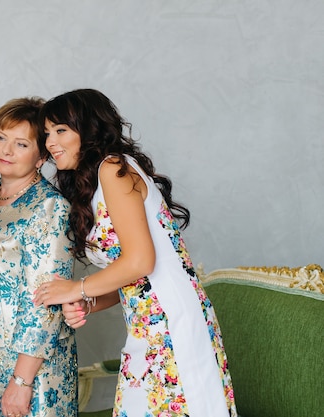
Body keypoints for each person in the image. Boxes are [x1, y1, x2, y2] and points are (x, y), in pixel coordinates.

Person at [33, 89, 237, 417]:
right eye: (46, 134)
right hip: (147, 324)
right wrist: (88, 302)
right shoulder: (96, 183)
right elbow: (133, 279)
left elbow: (142, 261)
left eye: (60, 130)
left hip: (174, 320)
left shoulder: (113, 168)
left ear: (89, 129)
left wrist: (77, 288)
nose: (51, 142)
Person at [0, 97, 78, 417]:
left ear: (41, 155)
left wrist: (22, 380)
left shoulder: (50, 207)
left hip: (29, 364)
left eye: (21, 143)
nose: (6, 150)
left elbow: (47, 301)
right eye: (1, 137)